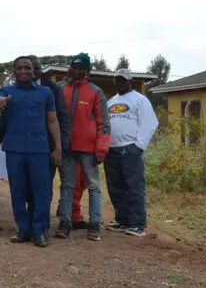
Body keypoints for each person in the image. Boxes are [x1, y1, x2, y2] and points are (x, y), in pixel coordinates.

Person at [0, 57, 62, 247]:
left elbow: (52, 120)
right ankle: (22, 230)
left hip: (39, 150)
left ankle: (39, 231)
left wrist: (57, 147)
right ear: (14, 71)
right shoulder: (8, 91)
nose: (23, 71)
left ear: (34, 71)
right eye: (19, 68)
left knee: (41, 193)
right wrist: (0, 102)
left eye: (27, 68)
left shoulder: (46, 93)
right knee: (17, 192)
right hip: (15, 150)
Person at [56, 53, 111, 241]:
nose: (78, 71)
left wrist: (101, 149)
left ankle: (95, 225)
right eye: (75, 67)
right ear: (71, 67)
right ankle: (65, 223)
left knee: (94, 186)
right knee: (67, 185)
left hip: (88, 148)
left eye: (82, 68)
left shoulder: (95, 92)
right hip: (67, 147)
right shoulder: (60, 88)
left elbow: (103, 123)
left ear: (88, 71)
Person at [105, 69, 158, 237]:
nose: (120, 83)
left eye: (123, 80)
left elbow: (150, 123)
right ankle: (122, 220)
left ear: (130, 81)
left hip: (130, 149)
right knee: (115, 187)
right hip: (111, 150)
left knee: (134, 187)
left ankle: (138, 224)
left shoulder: (140, 100)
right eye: (117, 80)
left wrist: (139, 146)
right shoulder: (111, 102)